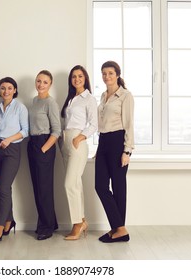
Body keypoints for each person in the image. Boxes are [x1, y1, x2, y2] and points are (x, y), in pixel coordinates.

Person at [95, 61, 134, 243]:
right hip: (103, 142)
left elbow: (129, 125)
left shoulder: (125, 96)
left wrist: (127, 151)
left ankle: (118, 230)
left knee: (118, 187)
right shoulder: (103, 96)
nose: (106, 76)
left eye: (110, 73)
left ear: (117, 74)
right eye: (104, 73)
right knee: (100, 186)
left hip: (118, 142)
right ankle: (120, 228)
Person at [60, 65, 97, 240]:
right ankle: (81, 219)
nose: (77, 79)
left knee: (69, 184)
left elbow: (94, 124)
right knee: (76, 184)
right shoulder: (71, 99)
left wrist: (79, 138)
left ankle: (77, 224)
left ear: (85, 78)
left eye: (80, 76)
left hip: (77, 142)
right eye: (74, 76)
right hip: (65, 141)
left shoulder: (88, 98)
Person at [0, 77, 29, 242]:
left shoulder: (20, 107)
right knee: (2, 188)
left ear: (15, 90)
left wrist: (9, 139)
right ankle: (9, 220)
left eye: (9, 88)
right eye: (3, 88)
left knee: (4, 187)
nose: (6, 91)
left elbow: (26, 130)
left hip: (12, 149)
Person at [28, 70, 61, 241]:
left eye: (45, 82)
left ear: (50, 84)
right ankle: (49, 222)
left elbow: (56, 131)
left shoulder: (50, 103)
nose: (41, 84)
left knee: (45, 188)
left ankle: (47, 227)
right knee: (37, 186)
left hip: (44, 145)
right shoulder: (34, 101)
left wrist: (43, 149)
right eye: (38, 81)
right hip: (32, 143)